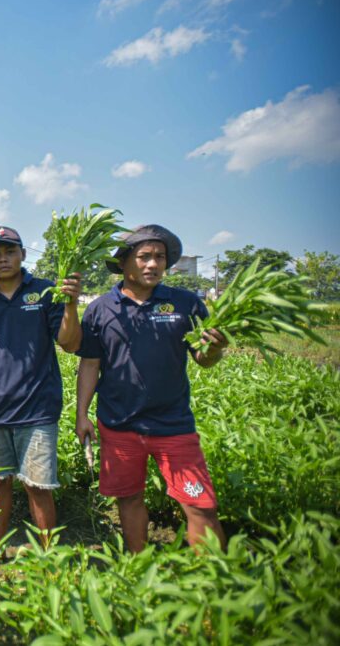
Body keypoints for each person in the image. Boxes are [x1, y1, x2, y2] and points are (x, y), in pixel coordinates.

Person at [75, 225, 229, 553]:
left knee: (199, 504)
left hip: (173, 425)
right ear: (124, 262)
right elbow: (89, 364)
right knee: (129, 498)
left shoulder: (184, 303)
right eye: (144, 257)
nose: (153, 264)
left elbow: (202, 358)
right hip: (119, 424)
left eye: (159, 257)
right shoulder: (101, 309)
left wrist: (214, 349)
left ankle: (216, 578)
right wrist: (82, 414)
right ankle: (138, 566)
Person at [0, 226, 82, 550]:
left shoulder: (45, 292)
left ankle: (48, 555)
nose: (4, 259)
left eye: (10, 252)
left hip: (37, 407)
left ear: (23, 254)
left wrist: (70, 304)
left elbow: (68, 343)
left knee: (39, 486)